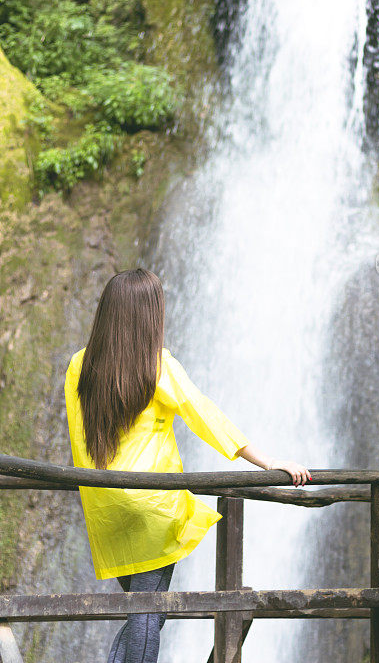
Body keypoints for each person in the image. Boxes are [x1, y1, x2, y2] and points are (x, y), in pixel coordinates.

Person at [64, 267, 311, 663]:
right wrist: (267, 461)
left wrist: (99, 492)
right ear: (151, 315)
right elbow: (205, 416)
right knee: (147, 613)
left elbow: (81, 439)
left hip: (106, 508)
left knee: (143, 612)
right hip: (153, 507)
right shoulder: (158, 365)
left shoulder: (79, 365)